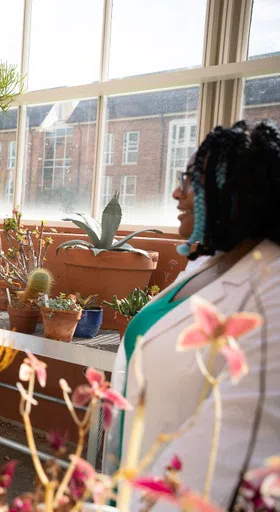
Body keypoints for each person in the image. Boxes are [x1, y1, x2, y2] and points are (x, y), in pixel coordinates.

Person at [106, 120, 280, 509]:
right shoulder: (212, 262)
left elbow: (234, 455)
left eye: (189, 180)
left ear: (234, 190)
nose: (176, 193)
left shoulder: (271, 292)